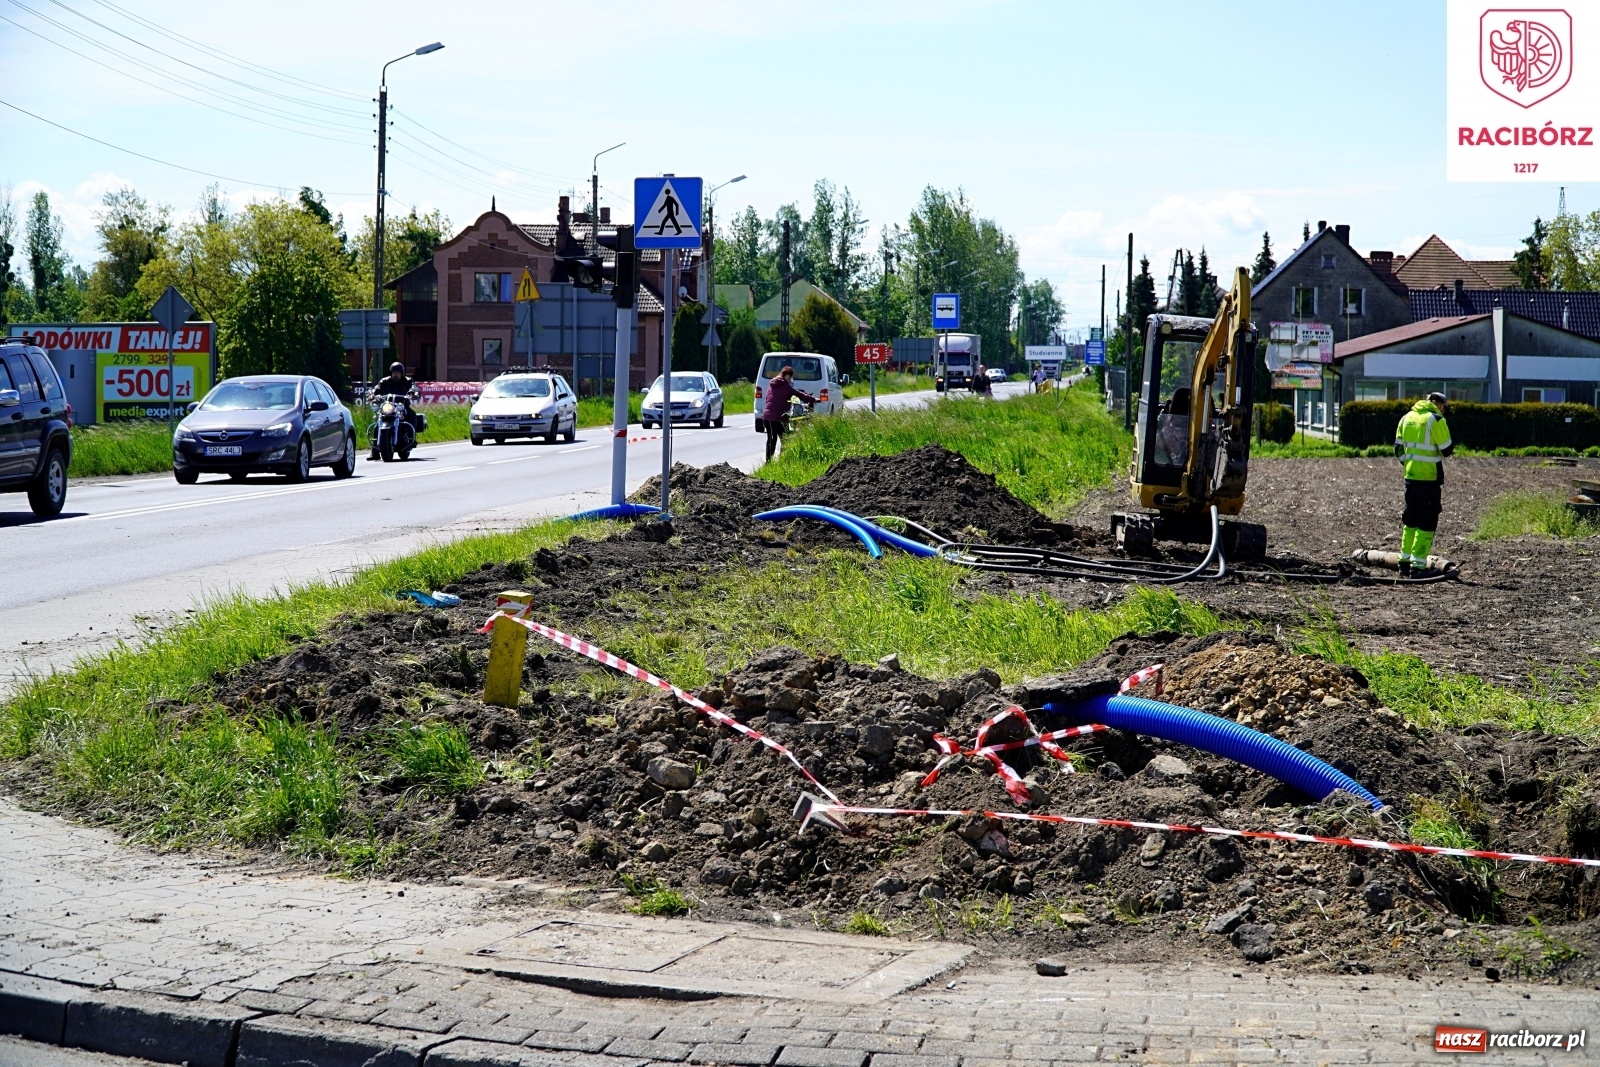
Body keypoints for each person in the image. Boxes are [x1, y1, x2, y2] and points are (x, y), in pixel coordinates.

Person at [1394, 391, 1455, 578]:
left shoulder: (1406, 417)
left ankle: (1404, 564)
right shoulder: (1435, 419)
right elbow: (1446, 449)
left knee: (1410, 520)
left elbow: (1398, 449)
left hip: (1410, 478)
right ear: (1441, 405)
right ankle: (1418, 568)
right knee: (1426, 523)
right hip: (1429, 480)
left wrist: (1410, 464)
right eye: (1445, 408)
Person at [762, 364, 817, 461]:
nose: (790, 380)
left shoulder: (771, 385)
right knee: (785, 440)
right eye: (790, 377)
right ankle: (783, 460)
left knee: (771, 440)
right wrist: (813, 399)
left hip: (767, 417)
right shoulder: (785, 386)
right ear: (786, 375)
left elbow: (768, 399)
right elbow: (798, 394)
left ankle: (768, 462)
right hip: (779, 418)